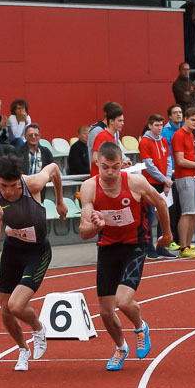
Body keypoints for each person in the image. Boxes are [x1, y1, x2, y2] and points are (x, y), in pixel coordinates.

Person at [78, 142, 169, 370]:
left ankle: (140, 326)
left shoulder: (135, 183)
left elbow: (160, 203)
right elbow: (83, 232)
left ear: (122, 165)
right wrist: (96, 227)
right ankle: (121, 348)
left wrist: (166, 234)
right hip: (108, 247)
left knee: (123, 300)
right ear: (97, 164)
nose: (110, 173)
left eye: (115, 167)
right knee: (106, 312)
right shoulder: (89, 188)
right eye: (105, 167)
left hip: (134, 245)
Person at [0, 155, 67, 371]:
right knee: (5, 310)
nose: (8, 192)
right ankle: (23, 349)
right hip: (12, 250)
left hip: (37, 251)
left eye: (13, 186)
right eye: (4, 186)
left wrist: (59, 201)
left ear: (20, 180)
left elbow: (54, 169)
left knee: (16, 305)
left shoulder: (34, 183)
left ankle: (38, 327)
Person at [139, 114, 175, 260]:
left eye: (161, 125)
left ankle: (162, 246)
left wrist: (167, 179)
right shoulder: (145, 142)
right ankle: (149, 247)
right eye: (156, 125)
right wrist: (164, 179)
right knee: (149, 216)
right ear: (150, 126)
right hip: (150, 183)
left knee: (163, 215)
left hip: (162, 182)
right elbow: (148, 165)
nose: (159, 128)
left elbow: (168, 161)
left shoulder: (164, 141)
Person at [173, 108, 195, 258]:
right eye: (193, 120)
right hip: (184, 177)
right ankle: (183, 247)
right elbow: (180, 161)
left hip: (193, 176)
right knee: (187, 212)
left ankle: (188, 245)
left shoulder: (191, 135)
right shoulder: (179, 135)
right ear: (185, 119)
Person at [91, 105, 125, 176]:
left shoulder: (112, 137)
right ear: (111, 121)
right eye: (119, 121)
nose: (122, 123)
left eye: (123, 121)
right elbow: (95, 158)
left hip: (108, 177)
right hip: (100, 178)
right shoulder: (102, 136)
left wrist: (121, 163)